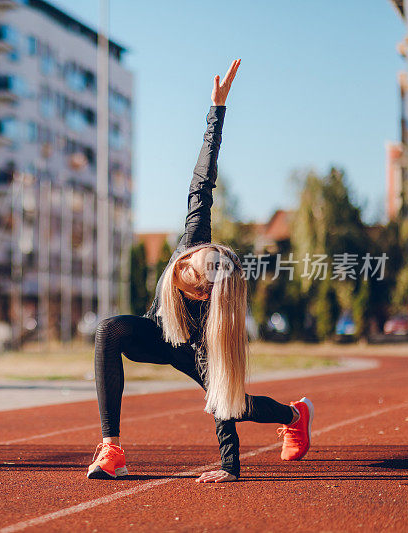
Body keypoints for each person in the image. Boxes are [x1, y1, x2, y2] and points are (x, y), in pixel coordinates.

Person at [87, 59, 313, 483]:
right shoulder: (194, 243)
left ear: (203, 294)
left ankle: (293, 414)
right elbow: (202, 181)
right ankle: (111, 449)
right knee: (108, 331)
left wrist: (230, 467)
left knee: (228, 403)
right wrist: (217, 110)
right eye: (185, 263)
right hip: (156, 335)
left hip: (189, 349)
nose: (180, 269)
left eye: (187, 276)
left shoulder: (212, 321)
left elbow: (223, 391)